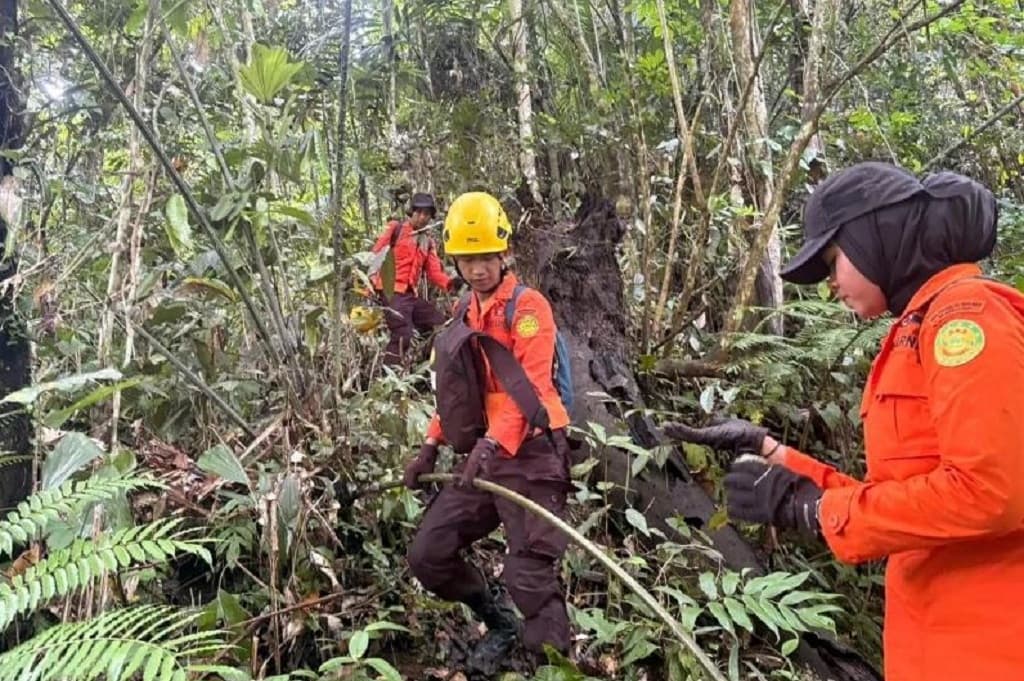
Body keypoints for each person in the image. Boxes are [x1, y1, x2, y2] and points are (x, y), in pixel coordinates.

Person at [662, 162, 1024, 681]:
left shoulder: (964, 319)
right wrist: (772, 453)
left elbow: (989, 492)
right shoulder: (917, 328)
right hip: (937, 639)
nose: (831, 284)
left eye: (833, 261)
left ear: (873, 235)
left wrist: (812, 509)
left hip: (991, 645)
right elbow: (905, 497)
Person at [401, 192, 573, 677]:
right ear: (456, 260)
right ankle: (498, 623)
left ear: (503, 254)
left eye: (485, 258)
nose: (477, 269)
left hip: (534, 456)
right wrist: (430, 447)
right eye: (468, 259)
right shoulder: (465, 311)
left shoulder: (528, 307)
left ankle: (554, 665)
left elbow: (532, 391)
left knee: (530, 576)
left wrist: (491, 444)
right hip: (487, 456)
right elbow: (459, 394)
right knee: (428, 554)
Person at [370, 192, 459, 365]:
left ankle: (427, 367)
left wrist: (451, 284)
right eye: (419, 213)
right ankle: (388, 381)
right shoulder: (396, 229)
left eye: (427, 214)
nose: (423, 217)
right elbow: (375, 255)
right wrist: (369, 286)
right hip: (391, 291)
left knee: (438, 323)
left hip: (409, 295)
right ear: (412, 212)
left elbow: (434, 273)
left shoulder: (428, 242)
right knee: (402, 333)